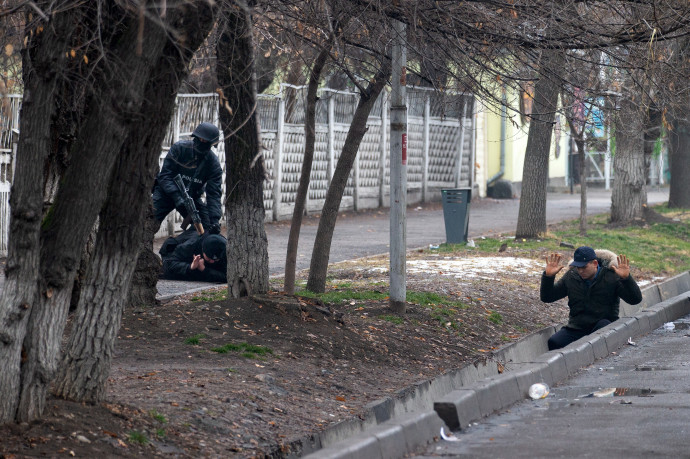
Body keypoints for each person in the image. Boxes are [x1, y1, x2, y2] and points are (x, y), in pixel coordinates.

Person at [541, 246, 642, 350]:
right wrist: (548, 277)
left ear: (595, 264)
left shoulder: (611, 276)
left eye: (584, 267)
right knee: (554, 342)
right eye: (578, 267)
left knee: (602, 329)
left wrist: (626, 279)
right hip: (578, 327)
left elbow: (635, 300)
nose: (580, 271)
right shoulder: (571, 276)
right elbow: (547, 297)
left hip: (604, 326)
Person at [153, 122, 223, 235]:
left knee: (206, 229)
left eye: (205, 141)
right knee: (149, 221)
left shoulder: (213, 164)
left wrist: (214, 220)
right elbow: (165, 176)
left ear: (211, 144)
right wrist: (176, 196)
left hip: (191, 198)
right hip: (166, 193)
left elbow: (214, 194)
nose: (202, 143)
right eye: (200, 139)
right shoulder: (179, 148)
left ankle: (180, 249)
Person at [160, 233, 227, 283]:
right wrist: (190, 267)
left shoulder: (225, 249)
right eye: (209, 259)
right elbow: (168, 264)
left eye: (216, 259)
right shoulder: (190, 246)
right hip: (173, 253)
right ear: (203, 251)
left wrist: (204, 269)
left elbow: (227, 277)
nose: (212, 261)